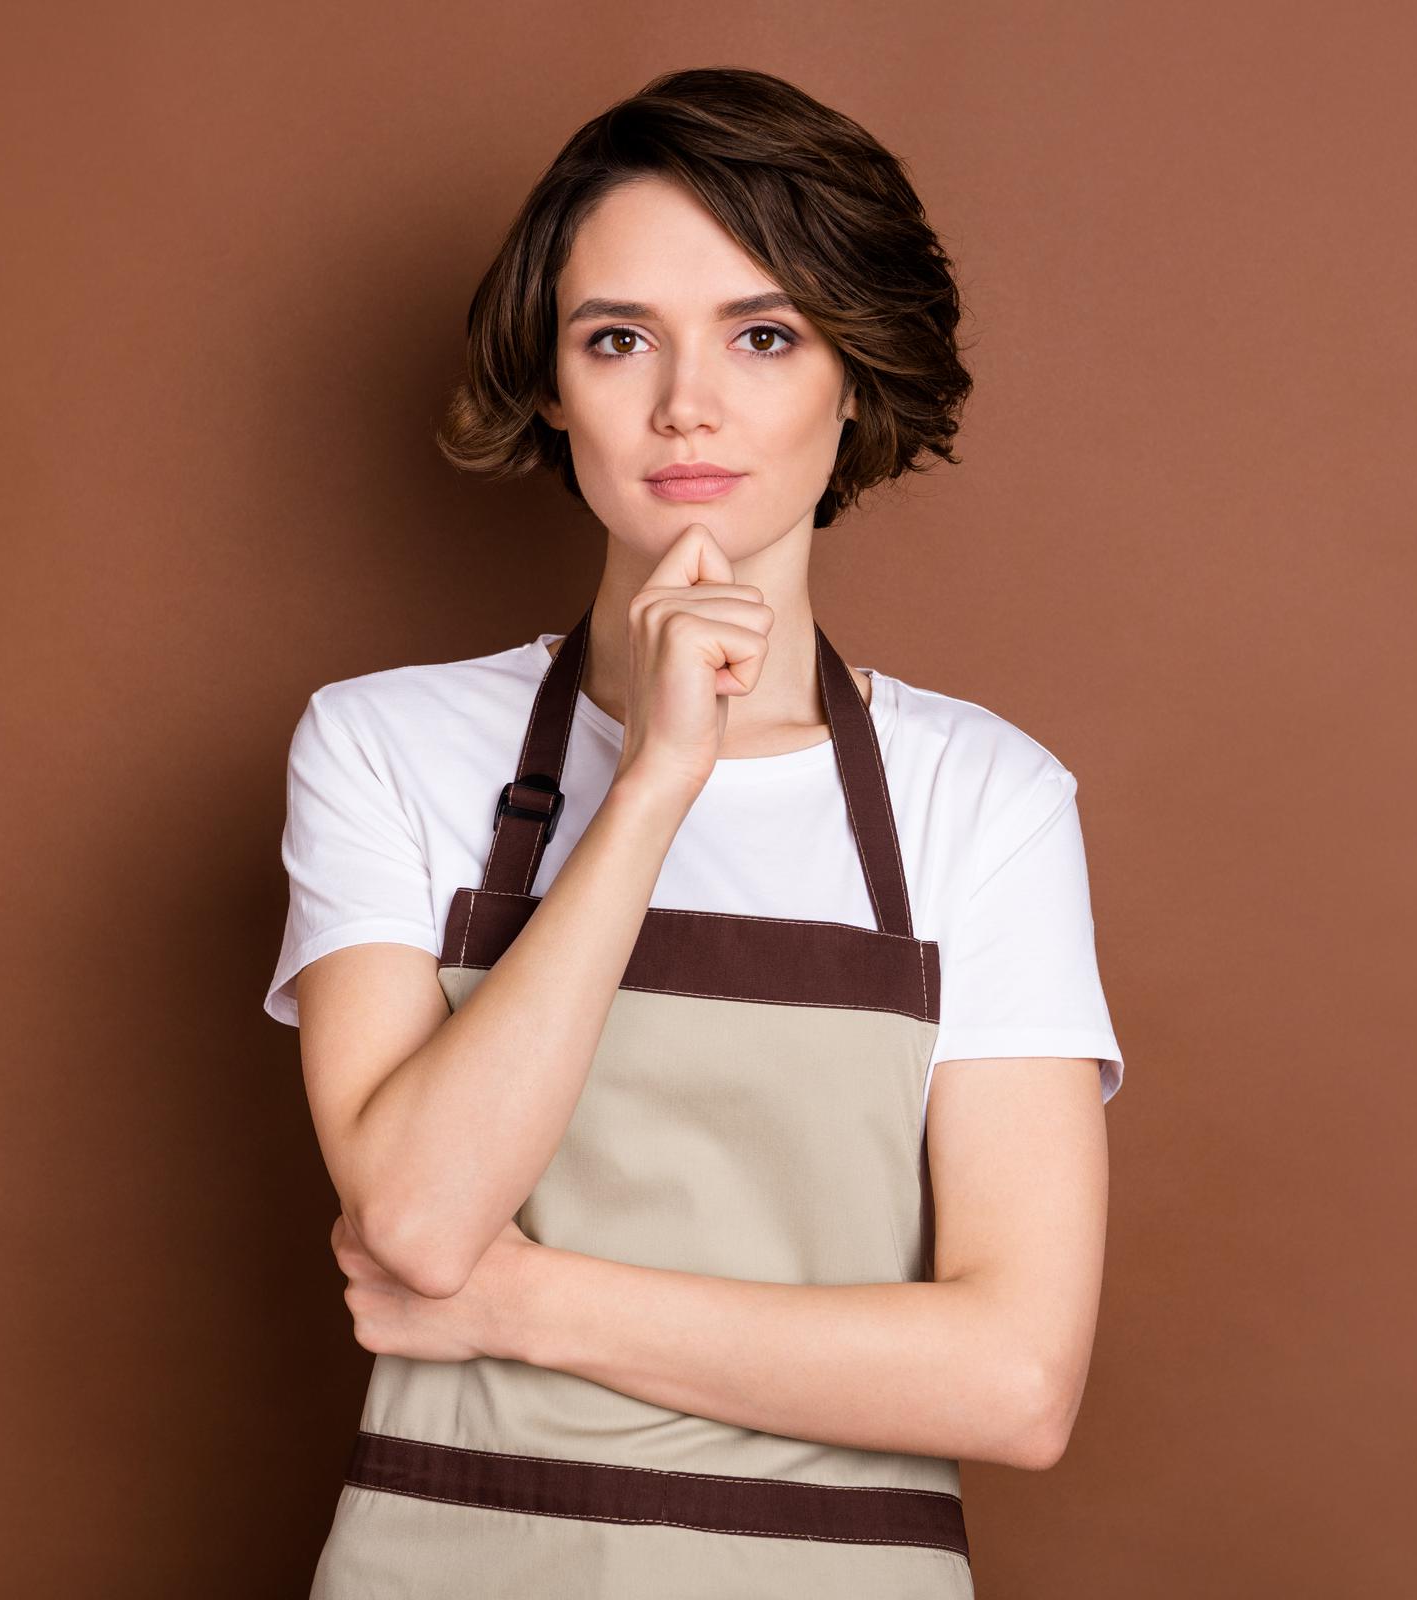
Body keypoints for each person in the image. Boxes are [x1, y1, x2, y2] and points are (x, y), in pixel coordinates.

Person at [265, 66, 1124, 1599]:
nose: (686, 403)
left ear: (854, 377)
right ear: (550, 384)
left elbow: (1014, 1383)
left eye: (764, 335)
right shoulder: (383, 747)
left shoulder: (985, 801)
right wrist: (656, 780)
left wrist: (525, 1306)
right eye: (618, 339)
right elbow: (418, 1221)